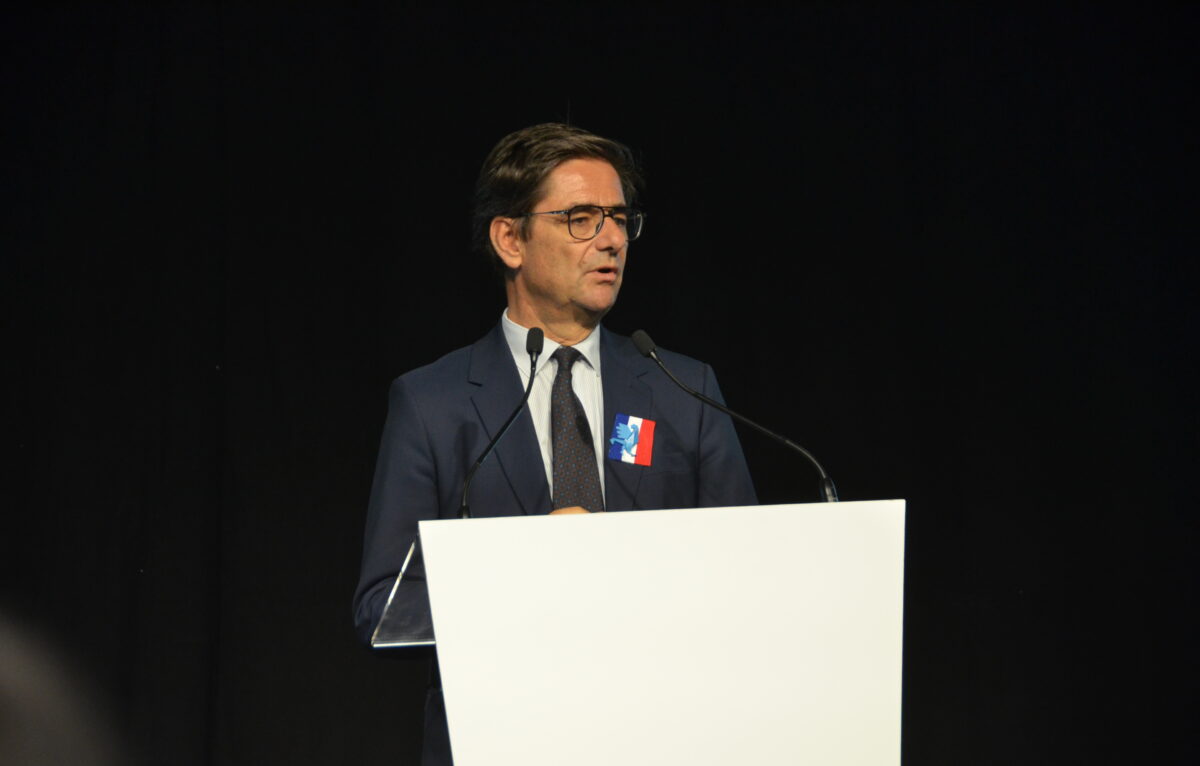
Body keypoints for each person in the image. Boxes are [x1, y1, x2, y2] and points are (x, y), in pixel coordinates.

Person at [353, 123, 757, 765]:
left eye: (620, 219)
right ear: (510, 239)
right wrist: (531, 574)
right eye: (581, 218)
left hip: (660, 738)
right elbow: (385, 610)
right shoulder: (432, 403)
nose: (613, 239)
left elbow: (750, 578)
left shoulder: (684, 390)